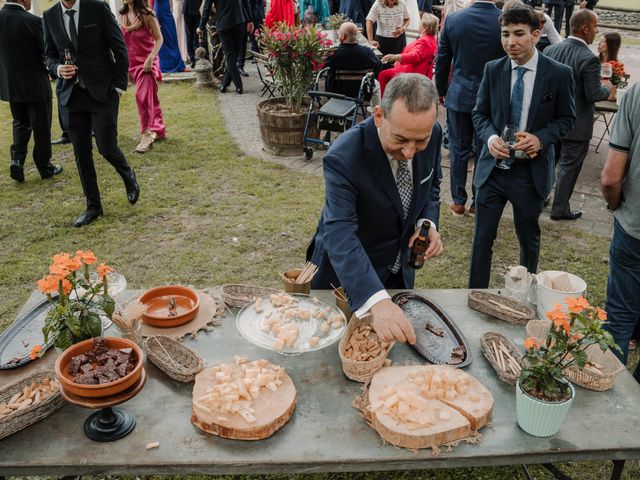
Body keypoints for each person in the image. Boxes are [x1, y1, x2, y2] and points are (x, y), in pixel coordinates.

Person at [307, 74, 444, 344]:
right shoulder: (343, 156)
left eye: (420, 142)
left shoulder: (433, 134)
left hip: (398, 273)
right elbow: (340, 234)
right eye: (401, 139)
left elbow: (433, 184)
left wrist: (426, 224)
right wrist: (376, 301)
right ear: (379, 115)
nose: (409, 152)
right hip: (347, 280)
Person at [469, 5, 575, 288]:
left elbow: (567, 118)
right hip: (492, 171)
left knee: (528, 240)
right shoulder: (493, 69)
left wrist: (540, 138)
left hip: (530, 173)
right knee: (481, 240)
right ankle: (474, 295)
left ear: (536, 34)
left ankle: (524, 295)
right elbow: (479, 114)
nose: (510, 42)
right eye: (505, 34)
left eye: (519, 34)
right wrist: (491, 139)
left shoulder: (559, 74)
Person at [43, 0, 140, 227]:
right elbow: (48, 55)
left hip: (102, 92)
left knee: (106, 147)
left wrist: (118, 87)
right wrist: (57, 68)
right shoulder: (49, 16)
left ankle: (128, 175)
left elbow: (119, 48)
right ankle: (93, 206)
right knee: (81, 153)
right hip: (71, 96)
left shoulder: (98, 7)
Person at [434, 0, 503, 217]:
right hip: (491, 97)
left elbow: (443, 59)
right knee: (485, 150)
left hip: (460, 93)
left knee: (459, 149)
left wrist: (441, 89)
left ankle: (458, 200)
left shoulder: (454, 19)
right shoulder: (502, 21)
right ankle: (477, 201)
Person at [545, 9, 612, 221]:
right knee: (568, 168)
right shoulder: (589, 59)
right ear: (585, 28)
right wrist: (607, 87)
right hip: (576, 123)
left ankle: (541, 198)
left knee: (548, 162)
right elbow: (594, 95)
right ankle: (560, 208)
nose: (596, 31)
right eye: (595, 27)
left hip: (550, 121)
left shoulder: (550, 50)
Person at [601, 81, 640, 383]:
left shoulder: (637, 93)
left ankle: (610, 404)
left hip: (633, 228)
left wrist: (615, 206)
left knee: (618, 322)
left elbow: (611, 177)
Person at [0, 0, 63, 183]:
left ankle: (17, 160)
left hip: (11, 84)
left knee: (20, 122)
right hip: (35, 83)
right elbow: (46, 52)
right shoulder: (34, 21)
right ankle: (45, 167)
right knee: (41, 126)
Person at [119, 0, 167, 153]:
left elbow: (159, 38)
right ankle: (158, 129)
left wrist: (152, 57)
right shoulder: (122, 15)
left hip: (147, 63)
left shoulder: (148, 14)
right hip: (131, 64)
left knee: (142, 96)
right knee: (150, 97)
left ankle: (146, 133)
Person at [198, 0, 253, 94]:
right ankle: (238, 85)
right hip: (237, 21)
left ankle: (225, 84)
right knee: (232, 56)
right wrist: (249, 20)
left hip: (229, 23)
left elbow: (207, 7)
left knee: (232, 56)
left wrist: (201, 27)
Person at [379, 13, 438, 96]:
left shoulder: (424, 41)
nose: (419, 24)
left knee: (383, 75)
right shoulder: (432, 41)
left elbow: (415, 56)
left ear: (425, 28)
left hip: (410, 74)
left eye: (420, 22)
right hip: (417, 72)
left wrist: (395, 57)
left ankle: (384, 105)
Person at [325, 21, 382, 98]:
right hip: (362, 91)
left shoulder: (333, 53)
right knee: (377, 85)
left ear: (342, 36)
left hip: (336, 92)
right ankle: (374, 108)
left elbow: (323, 67)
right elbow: (378, 66)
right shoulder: (367, 52)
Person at [153, 0, 186, 73]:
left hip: (167, 12)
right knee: (165, 40)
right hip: (161, 14)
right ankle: (166, 66)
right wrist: (157, 20)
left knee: (173, 38)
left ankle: (178, 65)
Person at [183, 0, 202, 68]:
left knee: (197, 35)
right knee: (190, 36)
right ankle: (192, 58)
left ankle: (198, 56)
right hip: (188, 9)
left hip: (197, 9)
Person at [172, 0, 189, 64]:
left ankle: (185, 55)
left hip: (182, 11)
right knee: (178, 34)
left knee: (183, 33)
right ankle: (181, 55)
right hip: (177, 11)